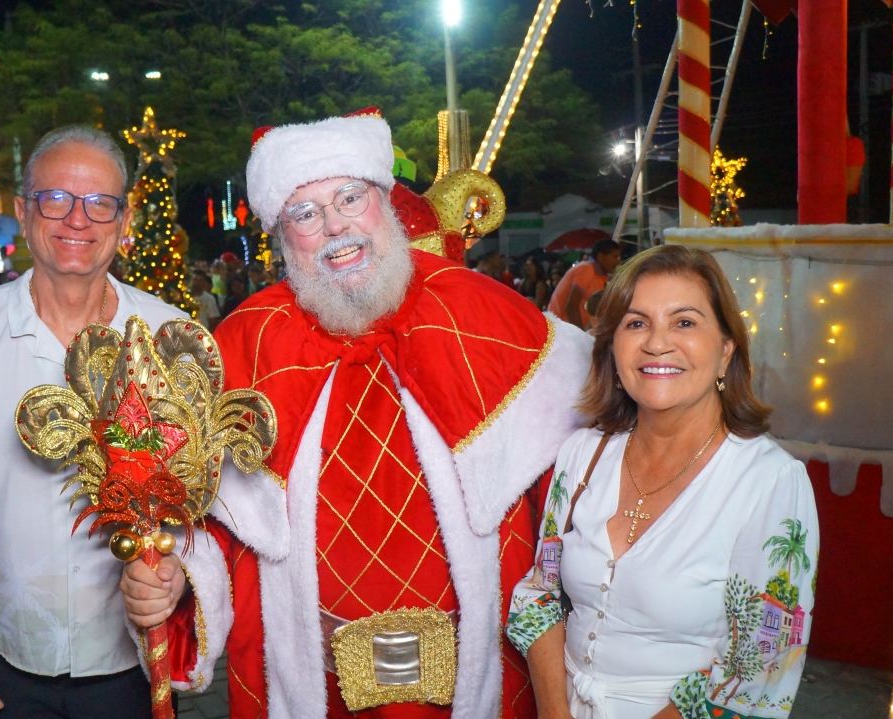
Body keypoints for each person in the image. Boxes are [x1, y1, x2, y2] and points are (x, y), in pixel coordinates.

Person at [119, 109, 594, 717]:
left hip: (485, 677)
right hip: (312, 685)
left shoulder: (491, 317)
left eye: (350, 197)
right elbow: (209, 523)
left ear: (387, 204)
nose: (336, 227)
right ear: (281, 236)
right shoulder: (246, 344)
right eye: (306, 213)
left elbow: (577, 488)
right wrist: (176, 579)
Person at [0, 124, 185, 719]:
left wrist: (180, 574)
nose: (76, 220)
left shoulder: (168, 337)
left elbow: (200, 492)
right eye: (54, 198)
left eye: (99, 203)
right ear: (23, 210)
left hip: (133, 660)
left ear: (124, 221)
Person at [509, 245, 819, 719]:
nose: (657, 343)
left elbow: (760, 666)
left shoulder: (770, 481)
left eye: (685, 322)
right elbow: (541, 594)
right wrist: (555, 711)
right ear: (612, 349)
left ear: (725, 352)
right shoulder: (583, 453)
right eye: (636, 323)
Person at [549, 239, 622, 328]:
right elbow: (571, 306)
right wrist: (581, 336)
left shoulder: (601, 275)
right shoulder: (586, 269)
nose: (618, 261)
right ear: (600, 257)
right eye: (615, 257)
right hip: (561, 332)